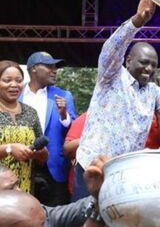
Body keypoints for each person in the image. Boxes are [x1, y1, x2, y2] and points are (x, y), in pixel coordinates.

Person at [74, 0, 160, 200]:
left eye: (153, 65)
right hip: (92, 168)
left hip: (123, 174)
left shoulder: (152, 92)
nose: (149, 68)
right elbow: (111, 50)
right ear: (128, 61)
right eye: (144, 62)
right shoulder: (111, 77)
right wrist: (137, 21)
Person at [20, 51, 77, 206]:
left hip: (54, 168)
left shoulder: (64, 95)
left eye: (55, 67)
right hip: (21, 165)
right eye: (49, 66)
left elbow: (74, 131)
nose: (54, 70)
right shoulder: (15, 95)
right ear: (33, 68)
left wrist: (64, 114)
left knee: (56, 216)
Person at [0, 163, 105, 227]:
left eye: (17, 185)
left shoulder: (39, 212)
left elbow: (78, 209)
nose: (20, 191)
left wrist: (102, 194)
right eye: (10, 189)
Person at [0, 60, 47, 193]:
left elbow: (42, 157)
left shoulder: (31, 113)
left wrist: (40, 154)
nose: (14, 85)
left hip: (24, 188)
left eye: (19, 80)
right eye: (7, 80)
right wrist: (8, 149)